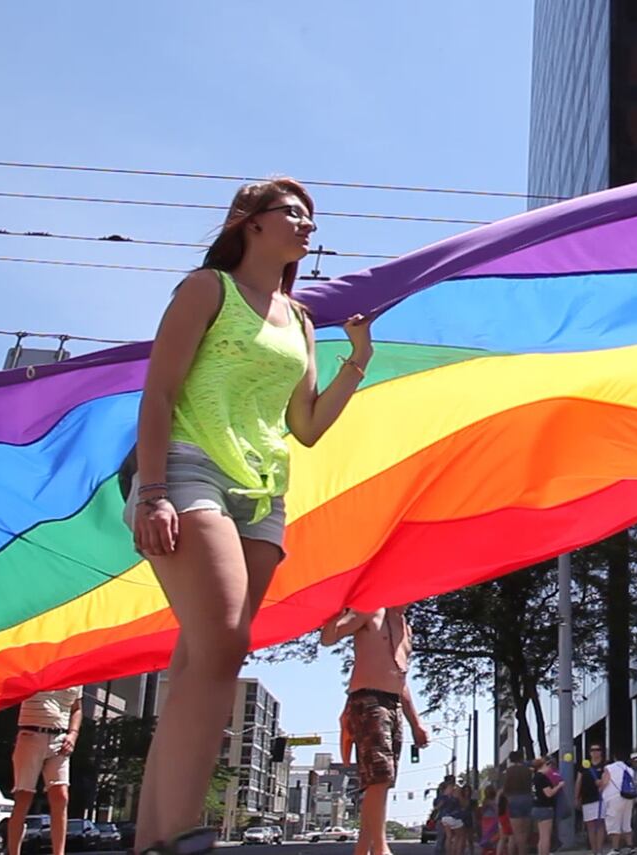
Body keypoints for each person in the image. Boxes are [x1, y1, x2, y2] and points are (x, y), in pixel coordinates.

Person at [126, 178, 371, 855]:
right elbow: (159, 391)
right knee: (225, 644)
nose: (307, 225)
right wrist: (151, 492)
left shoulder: (300, 321)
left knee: (200, 662)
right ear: (251, 223)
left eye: (311, 216)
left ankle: (151, 838)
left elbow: (307, 425)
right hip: (187, 470)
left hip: (263, 496)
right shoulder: (207, 288)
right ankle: (176, 836)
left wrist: (355, 364)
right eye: (292, 212)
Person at [320, 604, 431, 855]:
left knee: (382, 781)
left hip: (393, 705)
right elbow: (328, 638)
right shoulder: (369, 611)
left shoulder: (406, 628)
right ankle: (380, 849)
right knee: (379, 776)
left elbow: (401, 680)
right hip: (367, 699)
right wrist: (334, 614)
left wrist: (417, 724)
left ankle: (363, 850)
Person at [6, 686, 82, 855]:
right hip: (31, 734)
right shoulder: (35, 665)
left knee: (61, 796)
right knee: (24, 797)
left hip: (61, 740)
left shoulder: (76, 676)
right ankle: (13, 852)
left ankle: (59, 852)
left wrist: (73, 734)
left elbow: (76, 708)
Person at [599, 747, 637, 855]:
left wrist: (600, 789)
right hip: (628, 797)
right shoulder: (629, 769)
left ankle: (615, 848)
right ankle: (631, 847)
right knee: (626, 822)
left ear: (614, 756)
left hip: (613, 798)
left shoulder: (609, 767)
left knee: (614, 822)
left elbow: (605, 781)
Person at [503, 753, 537, 855]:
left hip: (514, 800)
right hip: (527, 798)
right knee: (525, 833)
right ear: (521, 758)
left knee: (517, 833)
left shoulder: (509, 771)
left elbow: (506, 787)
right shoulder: (528, 770)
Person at [579, 745, 609, 855]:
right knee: (590, 826)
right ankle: (594, 851)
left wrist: (602, 784)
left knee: (600, 824)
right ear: (589, 752)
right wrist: (576, 797)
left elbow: (608, 778)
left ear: (601, 752)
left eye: (598, 749)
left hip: (601, 798)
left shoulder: (605, 765)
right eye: (592, 750)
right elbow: (579, 780)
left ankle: (600, 850)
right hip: (587, 798)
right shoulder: (584, 766)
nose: (595, 752)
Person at [531, 758, 563, 855]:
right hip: (545, 807)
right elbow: (549, 793)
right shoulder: (542, 778)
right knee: (546, 837)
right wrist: (559, 786)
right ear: (543, 766)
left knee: (541, 836)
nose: (549, 767)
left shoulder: (534, 778)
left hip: (536, 807)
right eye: (547, 765)